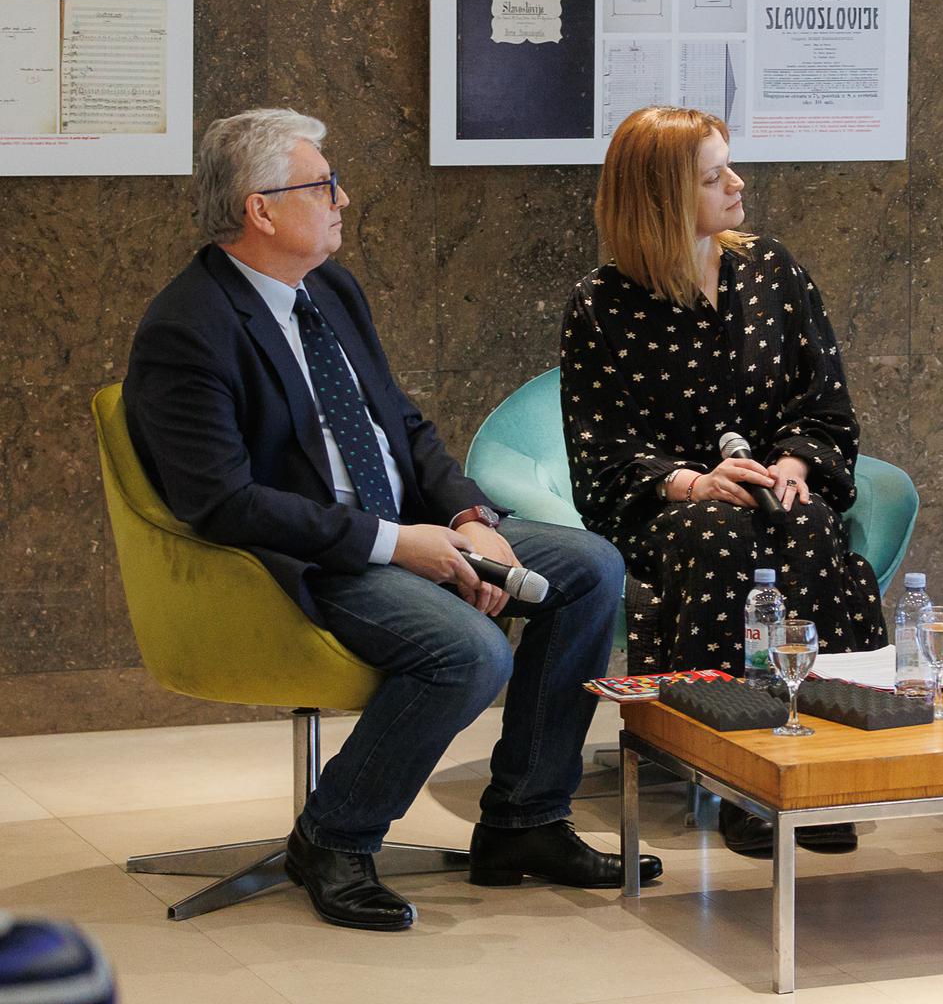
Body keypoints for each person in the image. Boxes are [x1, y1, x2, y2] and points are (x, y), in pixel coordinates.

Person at [124, 108, 660, 932]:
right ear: (261, 209)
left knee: (590, 567)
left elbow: (401, 425)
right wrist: (396, 546)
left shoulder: (330, 289)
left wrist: (470, 516)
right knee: (469, 651)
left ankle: (524, 821)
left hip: (409, 524)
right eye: (322, 185)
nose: (343, 198)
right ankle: (333, 838)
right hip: (309, 558)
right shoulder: (187, 326)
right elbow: (223, 502)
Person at [560, 105, 885, 855]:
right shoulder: (600, 305)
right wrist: (694, 482)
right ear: (661, 200)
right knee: (720, 535)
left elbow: (826, 403)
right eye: (714, 178)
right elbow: (602, 453)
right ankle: (738, 774)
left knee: (806, 522)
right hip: (671, 508)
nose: (738, 184)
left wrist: (795, 462)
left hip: (775, 491)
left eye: (728, 166)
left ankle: (820, 763)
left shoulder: (772, 270)